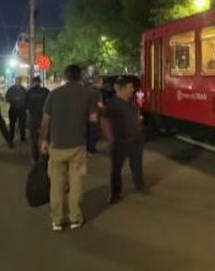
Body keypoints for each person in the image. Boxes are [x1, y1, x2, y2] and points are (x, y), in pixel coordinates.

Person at [39, 64, 99, 231]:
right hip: (77, 145)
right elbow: (94, 119)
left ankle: (57, 220)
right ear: (80, 76)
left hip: (56, 145)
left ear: (65, 76)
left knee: (56, 184)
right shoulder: (88, 94)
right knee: (76, 183)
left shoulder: (54, 94)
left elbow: (45, 120)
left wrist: (43, 140)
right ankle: (75, 218)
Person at [102, 76, 148, 204]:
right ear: (121, 89)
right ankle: (114, 193)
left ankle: (139, 185)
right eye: (129, 87)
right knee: (116, 169)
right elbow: (104, 121)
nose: (132, 90)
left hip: (135, 140)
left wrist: (140, 128)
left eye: (132, 87)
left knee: (137, 166)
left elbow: (137, 118)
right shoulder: (112, 103)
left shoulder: (132, 103)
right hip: (119, 141)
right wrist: (110, 138)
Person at [24, 76, 50, 161]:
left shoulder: (29, 92)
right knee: (45, 137)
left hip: (33, 118)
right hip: (44, 117)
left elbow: (25, 106)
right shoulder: (46, 91)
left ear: (32, 83)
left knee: (33, 138)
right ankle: (45, 156)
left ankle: (35, 157)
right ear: (40, 82)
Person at [86, 76, 108, 155]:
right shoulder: (98, 92)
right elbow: (100, 104)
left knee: (88, 132)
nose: (103, 85)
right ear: (98, 82)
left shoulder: (87, 90)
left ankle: (87, 149)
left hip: (86, 115)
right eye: (102, 83)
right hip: (94, 115)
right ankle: (92, 150)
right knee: (93, 132)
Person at [5, 76, 29, 143]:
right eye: (17, 81)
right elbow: (7, 98)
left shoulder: (23, 89)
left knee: (22, 124)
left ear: (20, 81)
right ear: (15, 81)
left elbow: (26, 99)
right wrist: (14, 99)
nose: (18, 82)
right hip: (13, 109)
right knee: (12, 125)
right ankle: (11, 140)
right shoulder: (11, 89)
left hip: (21, 109)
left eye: (19, 81)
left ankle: (22, 137)